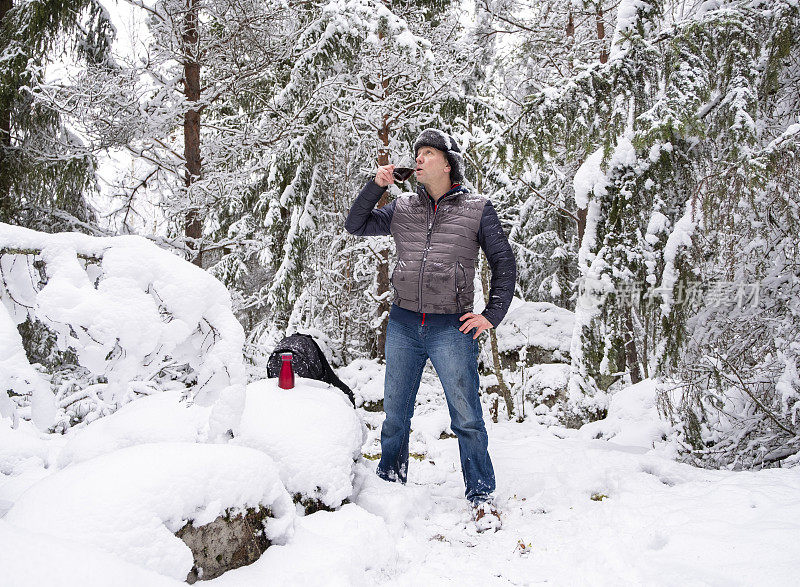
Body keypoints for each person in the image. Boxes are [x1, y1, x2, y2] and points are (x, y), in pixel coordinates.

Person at [344, 128, 516, 532]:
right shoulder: (403, 207)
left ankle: (482, 496)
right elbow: (356, 224)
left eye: (426, 153)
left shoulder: (477, 209)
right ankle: (390, 485)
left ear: (447, 162)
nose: (417, 159)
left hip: (451, 328)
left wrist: (491, 315)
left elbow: (504, 264)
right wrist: (376, 186)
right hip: (404, 322)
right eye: (416, 153)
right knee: (395, 415)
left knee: (467, 417)